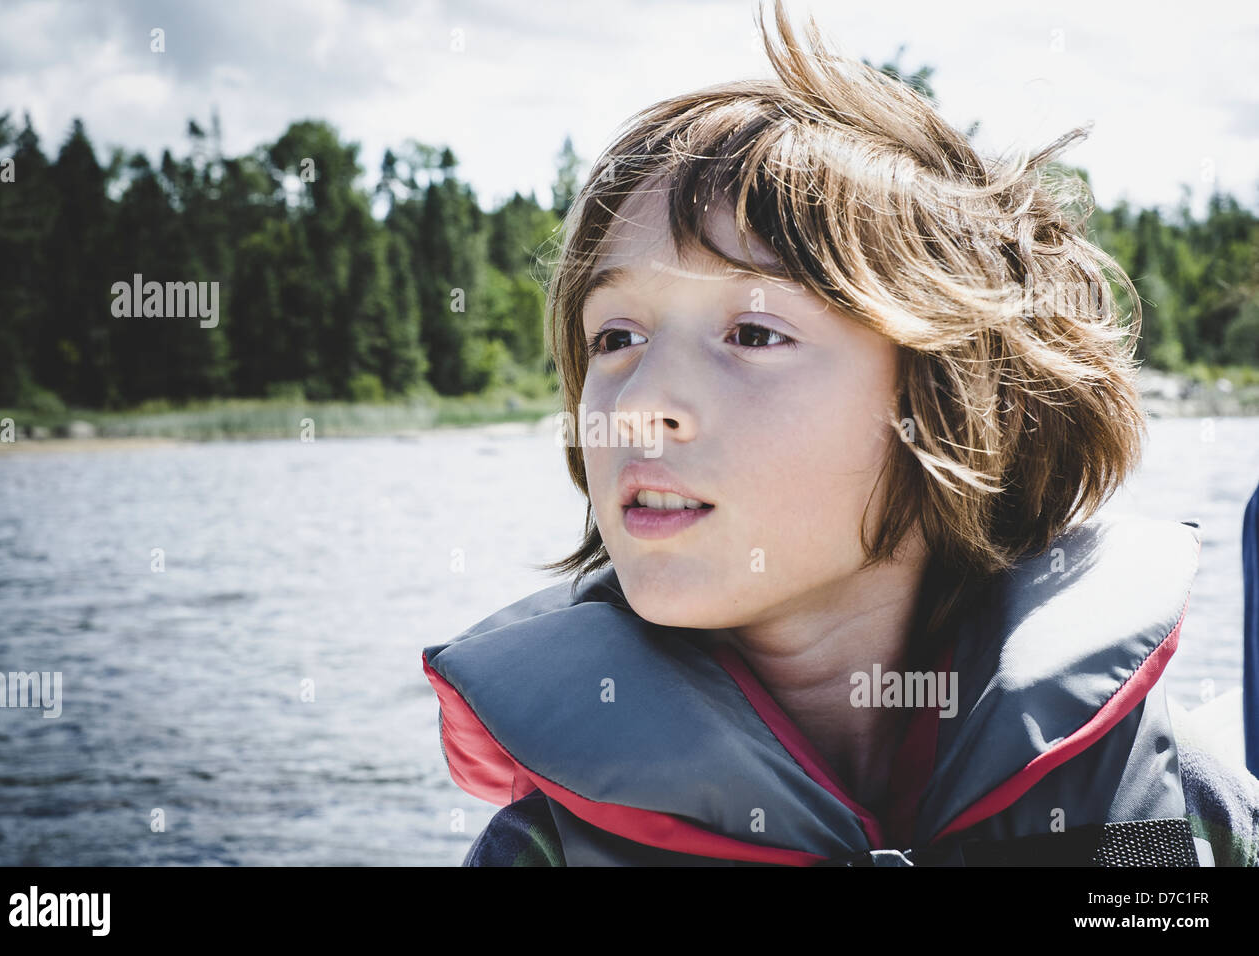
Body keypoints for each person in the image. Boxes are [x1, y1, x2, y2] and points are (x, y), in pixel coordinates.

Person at [422, 0, 1259, 866]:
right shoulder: (546, 849)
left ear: (951, 409)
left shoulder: (1153, 814)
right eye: (616, 338)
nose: (645, 400)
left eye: (752, 334)